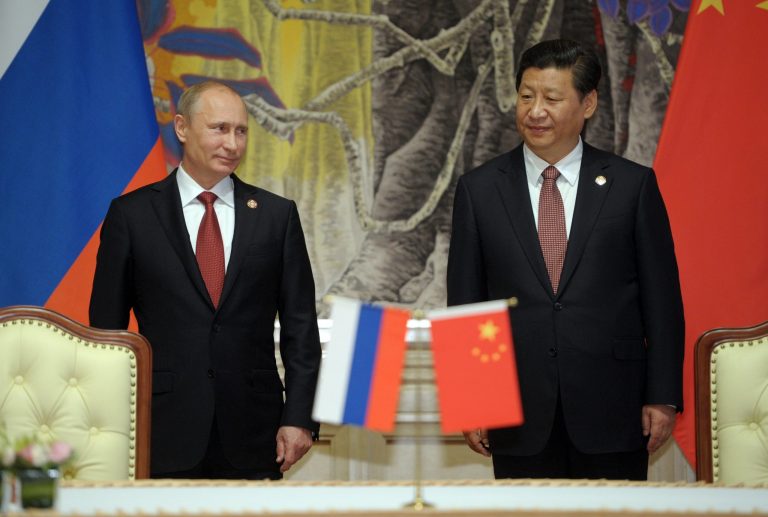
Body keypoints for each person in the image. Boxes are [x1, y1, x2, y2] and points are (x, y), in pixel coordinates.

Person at [447, 39, 684, 480]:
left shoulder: (632, 187)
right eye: (526, 96)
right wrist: (470, 400)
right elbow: (465, 303)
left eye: (552, 98)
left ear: (588, 103)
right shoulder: (479, 191)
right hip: (516, 412)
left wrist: (663, 396)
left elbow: (662, 301)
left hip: (614, 408)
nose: (536, 111)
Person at [90, 81, 321, 479]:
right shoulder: (131, 216)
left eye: (241, 130)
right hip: (159, 430)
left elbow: (301, 327)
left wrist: (299, 418)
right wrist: (110, 426)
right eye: (219, 128)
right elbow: (106, 334)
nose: (232, 143)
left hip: (254, 430)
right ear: (181, 127)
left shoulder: (276, 216)